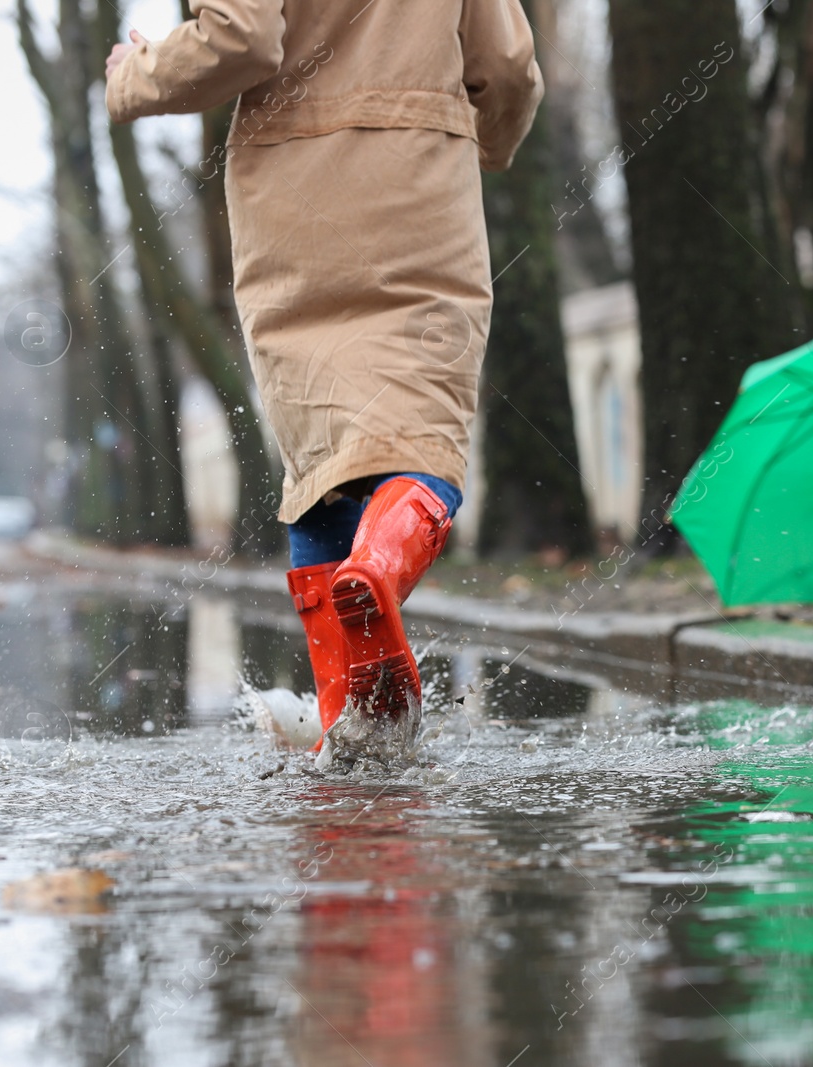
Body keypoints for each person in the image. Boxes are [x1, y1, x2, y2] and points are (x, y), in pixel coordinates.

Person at [106, 0, 542, 736]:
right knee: (423, 436)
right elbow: (505, 69)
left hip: (296, 201)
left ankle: (347, 722)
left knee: (321, 468)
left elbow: (241, 35)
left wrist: (136, 73)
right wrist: (481, 142)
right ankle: (378, 566)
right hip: (421, 193)